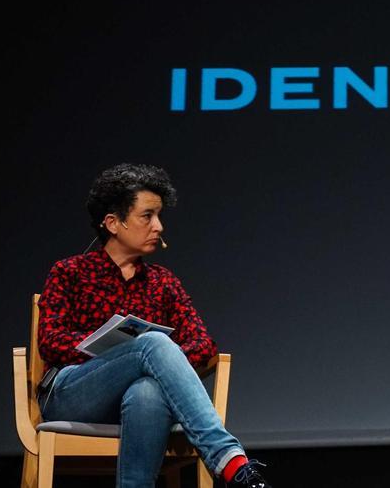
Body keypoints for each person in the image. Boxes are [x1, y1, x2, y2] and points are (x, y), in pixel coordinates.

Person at [36, 163, 271, 488]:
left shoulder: (163, 283)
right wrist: (121, 354)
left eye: (159, 216)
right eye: (147, 216)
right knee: (153, 344)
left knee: (148, 389)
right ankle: (230, 462)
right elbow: (50, 341)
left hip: (137, 401)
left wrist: (156, 365)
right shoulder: (70, 272)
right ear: (113, 223)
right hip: (72, 394)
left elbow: (203, 345)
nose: (158, 226)